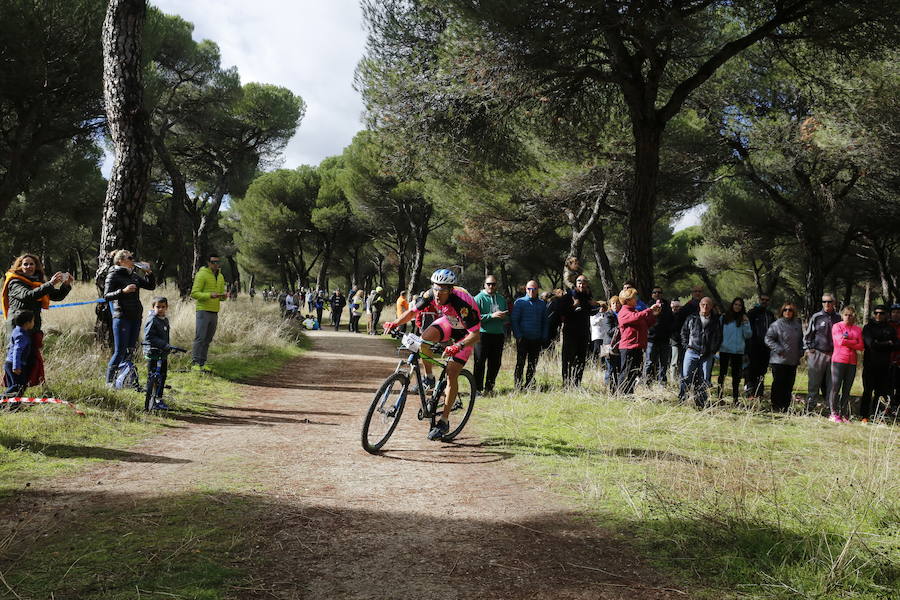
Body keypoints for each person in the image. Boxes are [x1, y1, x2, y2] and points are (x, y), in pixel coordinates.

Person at [384, 268, 481, 441]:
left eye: (442, 290)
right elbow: (413, 311)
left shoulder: (461, 303)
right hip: (449, 322)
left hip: (465, 334)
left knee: (452, 372)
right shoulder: (430, 294)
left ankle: (443, 421)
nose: (437, 294)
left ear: (450, 290)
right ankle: (429, 377)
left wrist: (457, 346)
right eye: (435, 288)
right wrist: (395, 323)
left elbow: (475, 334)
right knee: (423, 341)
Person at [2, 254, 73, 388]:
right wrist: (50, 284)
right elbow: (28, 295)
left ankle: (19, 393)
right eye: (25, 264)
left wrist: (66, 285)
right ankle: (12, 394)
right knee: (17, 360)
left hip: (33, 326)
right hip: (18, 328)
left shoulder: (38, 282)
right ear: (20, 266)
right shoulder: (14, 281)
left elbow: (56, 296)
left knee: (30, 361)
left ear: (36, 266)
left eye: (32, 264)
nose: (29, 267)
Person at [104, 250, 156, 384]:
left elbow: (151, 286)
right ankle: (109, 382)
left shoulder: (133, 275)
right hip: (121, 316)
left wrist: (148, 272)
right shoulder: (113, 274)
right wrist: (123, 291)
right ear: (120, 260)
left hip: (135, 316)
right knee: (120, 351)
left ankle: (125, 380)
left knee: (130, 350)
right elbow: (106, 296)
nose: (133, 260)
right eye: (130, 258)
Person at [679, 297, 723, 408]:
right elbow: (684, 333)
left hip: (707, 355)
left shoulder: (715, 320)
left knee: (704, 379)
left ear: (712, 306)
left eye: (708, 304)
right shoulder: (692, 318)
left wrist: (712, 350)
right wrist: (686, 346)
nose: (705, 306)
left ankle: (701, 403)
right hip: (691, 352)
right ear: (699, 305)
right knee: (686, 376)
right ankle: (682, 400)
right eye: (703, 304)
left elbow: (719, 337)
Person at [617, 288, 661, 394]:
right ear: (627, 300)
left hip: (637, 347)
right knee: (626, 372)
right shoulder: (624, 312)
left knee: (634, 372)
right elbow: (635, 317)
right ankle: (622, 394)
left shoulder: (635, 311)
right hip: (628, 347)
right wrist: (649, 310)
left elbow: (646, 324)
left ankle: (629, 394)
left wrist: (654, 315)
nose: (636, 299)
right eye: (634, 297)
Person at [803, 293, 841, 412]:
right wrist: (809, 349)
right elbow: (808, 335)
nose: (826, 304)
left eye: (829, 301)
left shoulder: (839, 318)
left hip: (834, 354)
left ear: (834, 303)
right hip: (817, 354)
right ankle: (810, 408)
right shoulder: (816, 317)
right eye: (824, 302)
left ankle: (831, 410)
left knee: (832, 384)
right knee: (814, 383)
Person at [859, 305, 897, 421]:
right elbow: (871, 344)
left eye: (881, 313)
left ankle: (876, 416)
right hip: (870, 365)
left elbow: (895, 345)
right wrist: (887, 343)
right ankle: (864, 416)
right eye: (876, 313)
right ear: (873, 314)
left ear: (886, 315)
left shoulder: (890, 328)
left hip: (884, 366)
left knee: (880, 393)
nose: (878, 315)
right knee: (867, 391)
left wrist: (879, 343)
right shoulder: (868, 327)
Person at [473, 275, 509, 395]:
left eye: (493, 284)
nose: (491, 286)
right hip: (482, 335)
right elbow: (474, 318)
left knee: (495, 363)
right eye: (489, 284)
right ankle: (477, 389)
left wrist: (504, 317)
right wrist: (491, 316)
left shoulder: (501, 299)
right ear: (484, 285)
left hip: (498, 334)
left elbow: (506, 316)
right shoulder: (478, 298)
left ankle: (489, 387)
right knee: (479, 362)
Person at [190, 253, 226, 372]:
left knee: (208, 339)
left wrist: (224, 296)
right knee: (200, 337)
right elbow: (194, 293)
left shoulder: (220, 276)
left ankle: (202, 363)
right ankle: (195, 363)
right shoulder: (201, 274)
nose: (216, 264)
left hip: (214, 311)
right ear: (208, 262)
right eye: (213, 262)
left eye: (217, 262)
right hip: (203, 310)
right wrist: (209, 295)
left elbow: (220, 296)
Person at [765, 302, 804, 413]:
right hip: (778, 360)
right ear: (782, 311)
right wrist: (779, 349)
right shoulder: (776, 324)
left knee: (789, 385)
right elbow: (768, 339)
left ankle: (785, 407)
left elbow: (801, 340)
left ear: (793, 312)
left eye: (790, 310)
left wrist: (801, 351)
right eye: (785, 310)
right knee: (778, 384)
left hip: (792, 361)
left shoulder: (797, 325)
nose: (788, 312)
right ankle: (776, 406)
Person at [827, 306, 864, 422]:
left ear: (854, 316)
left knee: (847, 389)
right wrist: (854, 341)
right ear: (842, 315)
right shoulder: (837, 326)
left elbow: (861, 346)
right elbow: (840, 341)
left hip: (852, 362)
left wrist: (849, 342)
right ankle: (833, 413)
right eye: (846, 314)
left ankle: (844, 413)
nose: (848, 317)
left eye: (851, 315)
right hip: (838, 360)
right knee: (835, 387)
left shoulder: (857, 329)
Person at [510, 280, 548, 390]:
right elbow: (514, 320)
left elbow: (545, 322)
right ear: (526, 289)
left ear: (537, 290)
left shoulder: (542, 304)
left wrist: (544, 336)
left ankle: (529, 384)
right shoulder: (520, 302)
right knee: (520, 363)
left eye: (534, 289)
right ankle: (518, 386)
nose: (532, 291)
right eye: (529, 289)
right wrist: (518, 336)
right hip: (523, 339)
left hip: (536, 339)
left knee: (533, 363)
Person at [559, 276, 594, 386]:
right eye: (579, 282)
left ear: (587, 284)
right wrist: (574, 306)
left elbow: (589, 312)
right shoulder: (569, 296)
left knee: (581, 360)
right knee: (568, 359)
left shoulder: (588, 296)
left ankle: (577, 384)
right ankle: (567, 384)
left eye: (584, 282)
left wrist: (597, 308)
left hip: (583, 333)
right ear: (576, 283)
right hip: (570, 333)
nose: (581, 284)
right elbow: (561, 312)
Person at [142, 297, 176, 410]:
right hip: (153, 352)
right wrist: (164, 344)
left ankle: (158, 399)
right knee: (152, 377)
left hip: (163, 353)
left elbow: (165, 338)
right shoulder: (152, 320)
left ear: (167, 307)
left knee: (162, 376)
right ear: (153, 307)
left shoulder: (165, 320)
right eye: (158, 307)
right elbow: (148, 337)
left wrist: (168, 347)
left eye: (163, 307)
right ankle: (150, 399)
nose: (160, 309)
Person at [717, 297, 751, 403]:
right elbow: (718, 333)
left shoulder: (744, 319)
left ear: (742, 307)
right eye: (735, 304)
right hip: (724, 350)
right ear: (732, 305)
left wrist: (746, 323)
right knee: (722, 374)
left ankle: (735, 399)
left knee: (736, 376)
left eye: (740, 305)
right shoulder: (724, 317)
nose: (737, 306)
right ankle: (719, 397)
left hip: (738, 351)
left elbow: (748, 335)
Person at [745, 294, 776, 399]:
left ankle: (759, 393)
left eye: (767, 300)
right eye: (763, 299)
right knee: (752, 370)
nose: (764, 302)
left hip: (766, 348)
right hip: (753, 347)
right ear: (759, 300)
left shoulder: (770, 314)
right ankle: (750, 392)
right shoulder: (752, 313)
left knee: (762, 371)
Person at [644, 286, 673, 384]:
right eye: (655, 292)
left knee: (663, 363)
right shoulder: (648, 305)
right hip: (651, 339)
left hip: (664, 339)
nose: (657, 294)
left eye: (659, 292)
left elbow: (671, 320)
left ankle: (662, 384)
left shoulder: (667, 305)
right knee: (649, 362)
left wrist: (669, 332)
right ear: (652, 294)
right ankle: (647, 383)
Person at [674, 285, 704, 375]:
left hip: (703, 345)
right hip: (689, 345)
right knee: (686, 370)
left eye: (699, 291)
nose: (697, 293)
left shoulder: (708, 306)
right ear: (692, 293)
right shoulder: (687, 307)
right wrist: (685, 343)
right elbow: (680, 326)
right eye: (695, 291)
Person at [4, 310, 34, 399]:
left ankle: (12, 406)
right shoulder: (21, 335)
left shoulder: (16, 330)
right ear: (27, 323)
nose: (33, 323)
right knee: (18, 387)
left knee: (14, 386)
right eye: (33, 321)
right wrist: (16, 366)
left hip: (9, 363)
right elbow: (17, 351)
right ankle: (2, 399)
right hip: (15, 364)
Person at [603, 296, 622, 391]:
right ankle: (610, 389)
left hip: (620, 345)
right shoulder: (608, 315)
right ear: (610, 305)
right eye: (613, 303)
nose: (615, 305)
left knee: (618, 368)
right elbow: (609, 331)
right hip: (609, 345)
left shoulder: (622, 314)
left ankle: (618, 388)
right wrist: (621, 326)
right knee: (611, 368)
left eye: (617, 303)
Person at [890, 303, 900, 417]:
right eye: (894, 312)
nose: (896, 314)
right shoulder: (887, 325)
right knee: (888, 387)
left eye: (898, 312)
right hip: (887, 360)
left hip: (899, 361)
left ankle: (896, 409)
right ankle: (887, 408)